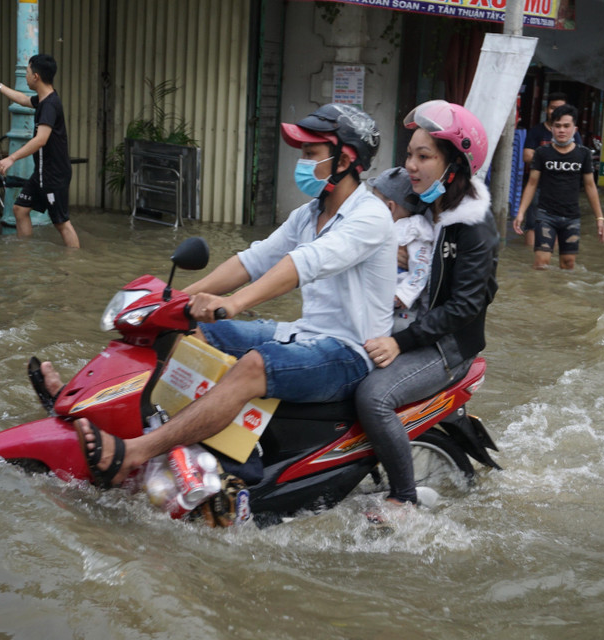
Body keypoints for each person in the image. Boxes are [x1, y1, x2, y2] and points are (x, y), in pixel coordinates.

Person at [45, 103, 397, 487]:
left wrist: (234, 303)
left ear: (345, 159)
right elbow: (253, 259)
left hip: (349, 352)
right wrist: (174, 300)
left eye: (310, 154)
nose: (301, 162)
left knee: (253, 367)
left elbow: (305, 263)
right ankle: (96, 407)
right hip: (304, 332)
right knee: (181, 332)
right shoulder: (309, 214)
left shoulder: (370, 216)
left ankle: (135, 452)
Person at [355, 100, 499, 507]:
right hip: (404, 326)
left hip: (444, 347)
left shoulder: (472, 227)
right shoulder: (424, 210)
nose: (411, 166)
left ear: (453, 164)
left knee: (373, 397)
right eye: (409, 154)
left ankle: (403, 499)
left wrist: (401, 342)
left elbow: (467, 305)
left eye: (424, 156)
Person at [0, 54, 79, 248]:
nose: (26, 75)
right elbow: (24, 100)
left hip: (53, 174)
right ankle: (24, 256)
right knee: (20, 209)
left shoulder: (50, 105)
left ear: (36, 76)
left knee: (61, 222)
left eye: (27, 71)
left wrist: (12, 158)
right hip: (41, 172)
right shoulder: (44, 99)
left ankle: (74, 265)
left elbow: (41, 140)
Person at [513, 104, 604, 270]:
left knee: (568, 264)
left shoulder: (583, 154)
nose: (561, 130)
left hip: (571, 217)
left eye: (566, 126)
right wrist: (520, 213)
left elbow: (590, 186)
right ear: (552, 129)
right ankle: (539, 294)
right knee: (541, 263)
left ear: (575, 129)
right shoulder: (542, 153)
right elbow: (532, 183)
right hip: (545, 215)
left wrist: (599, 218)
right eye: (557, 126)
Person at [369, 167, 433, 332]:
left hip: (400, 306)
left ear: (390, 207)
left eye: (373, 202)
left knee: (399, 328)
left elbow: (420, 269)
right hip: (376, 299)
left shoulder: (413, 231)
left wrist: (403, 295)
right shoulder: (377, 228)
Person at [520, 92, 583, 246]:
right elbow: (527, 156)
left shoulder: (574, 134)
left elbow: (579, 156)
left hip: (562, 189)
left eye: (560, 108)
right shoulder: (536, 131)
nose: (556, 112)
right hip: (538, 185)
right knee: (533, 225)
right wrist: (553, 157)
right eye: (553, 108)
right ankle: (529, 260)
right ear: (546, 109)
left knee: (558, 226)